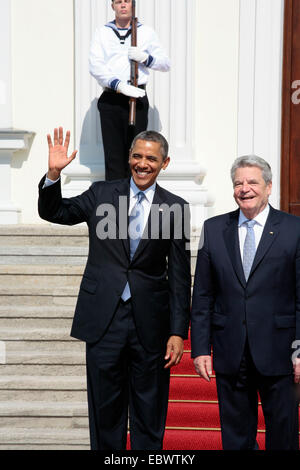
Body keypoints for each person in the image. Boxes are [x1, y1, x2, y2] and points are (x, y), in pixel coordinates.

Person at [38, 127, 190, 450]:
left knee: (149, 417)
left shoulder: (175, 207)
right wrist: (52, 176)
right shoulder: (101, 194)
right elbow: (56, 212)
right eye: (137, 156)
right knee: (105, 417)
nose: (142, 163)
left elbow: (179, 275)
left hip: (150, 325)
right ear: (129, 158)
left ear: (164, 163)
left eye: (151, 158)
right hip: (103, 321)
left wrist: (178, 331)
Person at [191, 155, 300, 450]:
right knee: (236, 437)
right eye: (238, 183)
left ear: (268, 187)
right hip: (231, 351)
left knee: (283, 434)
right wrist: (201, 348)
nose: (244, 188)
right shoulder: (214, 229)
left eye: (252, 182)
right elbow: (202, 294)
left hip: (281, 353)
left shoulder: (294, 229)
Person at [89, 0, 170, 181]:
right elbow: (95, 65)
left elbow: (165, 63)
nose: (123, 5)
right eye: (118, 2)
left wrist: (145, 58)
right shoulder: (102, 32)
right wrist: (118, 84)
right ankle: (116, 200)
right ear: (112, 6)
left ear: (133, 5)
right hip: (112, 97)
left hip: (137, 98)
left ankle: (136, 196)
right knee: (113, 155)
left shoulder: (146, 32)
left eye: (127, 1)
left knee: (137, 153)